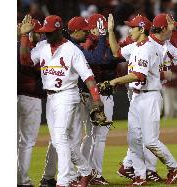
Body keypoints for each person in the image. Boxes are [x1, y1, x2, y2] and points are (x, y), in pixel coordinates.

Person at [20, 15, 103, 187]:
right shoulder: (43, 46)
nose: (47, 35)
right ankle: (86, 171)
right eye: (45, 32)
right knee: (60, 141)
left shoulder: (72, 50)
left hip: (67, 95)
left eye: (50, 32)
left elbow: (88, 77)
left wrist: (96, 99)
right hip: (50, 97)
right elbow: (25, 61)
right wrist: (24, 37)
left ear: (58, 30)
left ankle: (64, 181)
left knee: (60, 136)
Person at [107, 13, 177, 186]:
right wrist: (110, 31)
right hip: (137, 97)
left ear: (142, 28)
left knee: (150, 141)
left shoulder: (147, 48)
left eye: (132, 27)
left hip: (150, 96)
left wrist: (114, 81)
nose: (129, 29)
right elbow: (116, 52)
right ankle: (139, 176)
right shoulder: (136, 46)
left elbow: (138, 75)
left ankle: (173, 166)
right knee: (134, 140)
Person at [79, 13, 119, 185]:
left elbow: (117, 55)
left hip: (95, 94)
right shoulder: (85, 45)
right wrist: (106, 35)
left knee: (91, 136)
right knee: (97, 136)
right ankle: (93, 173)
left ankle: (85, 173)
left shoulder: (94, 43)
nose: (93, 30)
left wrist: (109, 34)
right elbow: (104, 59)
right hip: (95, 94)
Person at [18, 17, 45, 187]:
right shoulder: (41, 50)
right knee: (27, 142)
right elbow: (27, 63)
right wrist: (25, 37)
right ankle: (23, 181)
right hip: (30, 98)